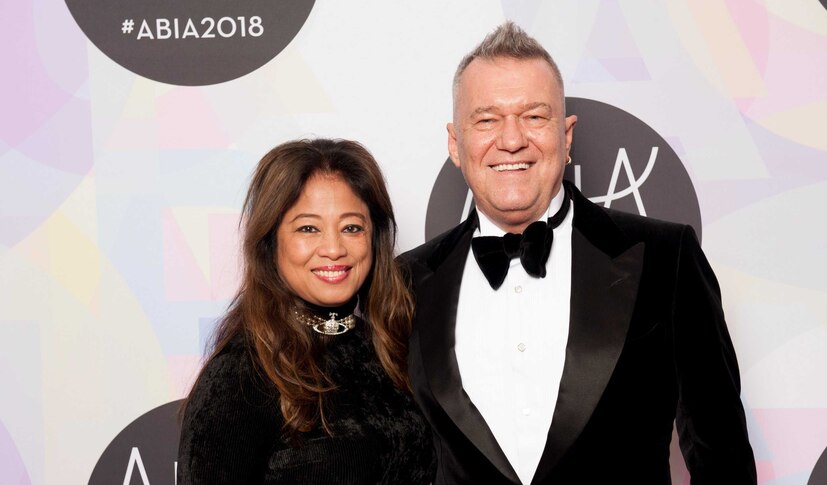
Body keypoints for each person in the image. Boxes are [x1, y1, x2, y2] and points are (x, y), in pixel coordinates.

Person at [401, 22, 756, 484]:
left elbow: (721, 457)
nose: (511, 140)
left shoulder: (665, 258)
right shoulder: (406, 281)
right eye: (487, 119)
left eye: (534, 116)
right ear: (455, 143)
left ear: (566, 137)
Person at [178, 138, 435, 484]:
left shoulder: (393, 349)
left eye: (351, 228)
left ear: (373, 238)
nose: (333, 248)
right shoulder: (241, 376)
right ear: (271, 242)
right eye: (308, 228)